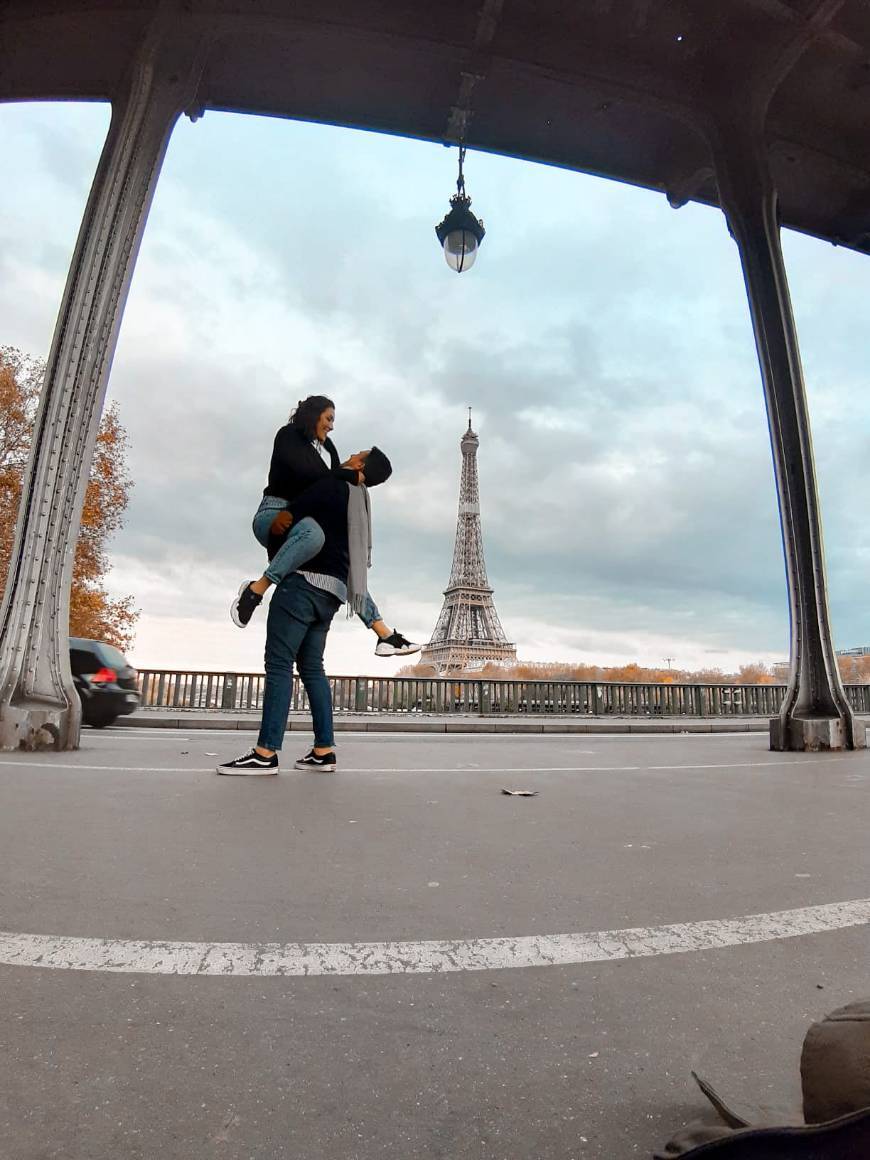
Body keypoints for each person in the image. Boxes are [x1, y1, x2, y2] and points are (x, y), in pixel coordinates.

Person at [217, 447, 393, 776]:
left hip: (302, 586)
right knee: (313, 669)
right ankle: (324, 749)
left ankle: (265, 753)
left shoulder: (333, 487)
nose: (352, 452)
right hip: (333, 594)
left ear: (359, 463)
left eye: (359, 452)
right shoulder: (360, 510)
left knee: (279, 665)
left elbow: (292, 517)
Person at [230, 395, 420, 658]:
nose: (331, 427)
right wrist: (347, 474)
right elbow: (315, 478)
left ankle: (383, 632)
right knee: (315, 535)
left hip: (301, 523)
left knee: (346, 563)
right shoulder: (288, 436)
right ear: (313, 414)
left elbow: (324, 484)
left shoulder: (327, 457)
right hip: (275, 514)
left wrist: (345, 474)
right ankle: (255, 589)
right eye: (329, 418)